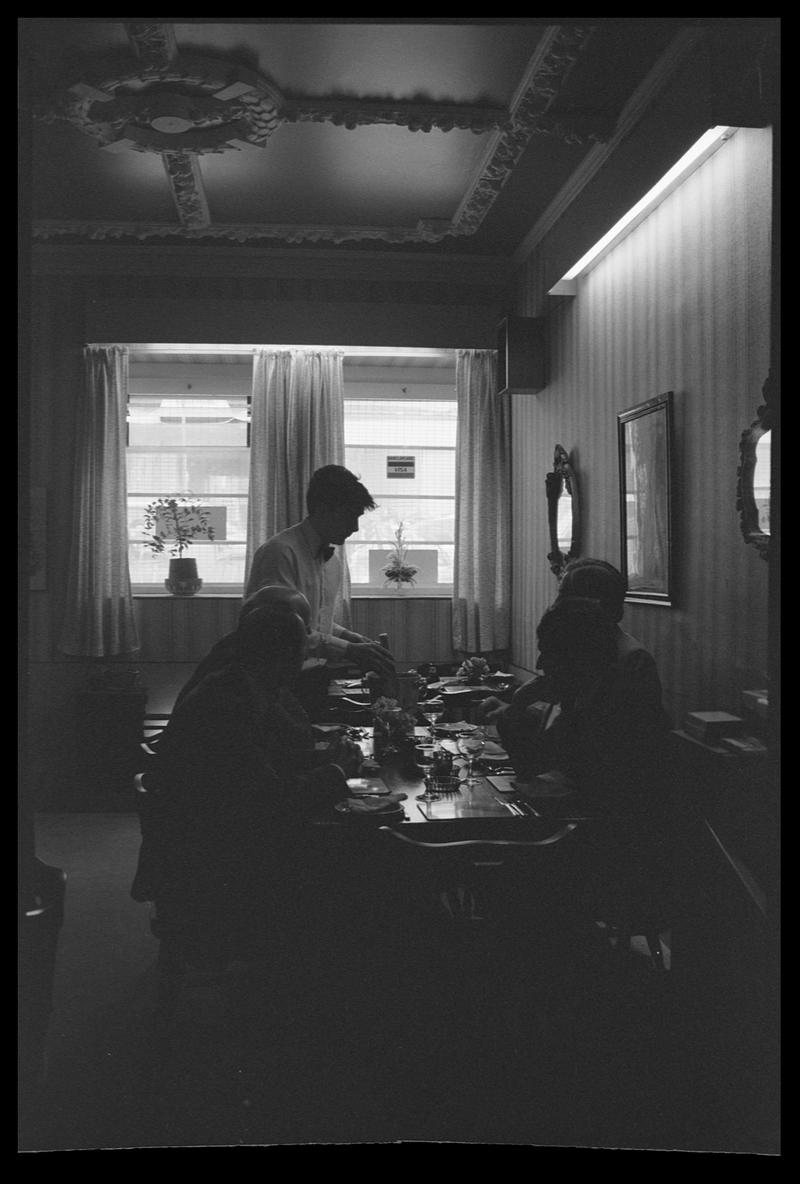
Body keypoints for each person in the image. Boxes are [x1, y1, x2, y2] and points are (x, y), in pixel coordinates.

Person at [131, 601, 364, 960]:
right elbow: (272, 801)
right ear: (282, 655)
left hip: (208, 841)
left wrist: (323, 759)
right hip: (212, 865)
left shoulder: (244, 682)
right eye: (302, 653)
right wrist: (336, 773)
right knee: (353, 864)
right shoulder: (228, 704)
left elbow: (279, 753)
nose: (305, 661)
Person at [478, 557, 667, 753]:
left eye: (563, 594)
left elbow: (580, 742)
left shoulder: (629, 662)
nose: (557, 603)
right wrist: (512, 708)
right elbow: (563, 721)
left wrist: (515, 710)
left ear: (588, 604)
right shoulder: (582, 647)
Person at [245, 465, 394, 678]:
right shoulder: (280, 553)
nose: (355, 528)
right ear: (324, 509)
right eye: (351, 516)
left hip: (315, 674)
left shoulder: (333, 564)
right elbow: (281, 632)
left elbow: (314, 623)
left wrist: (350, 637)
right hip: (275, 680)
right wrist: (348, 649)